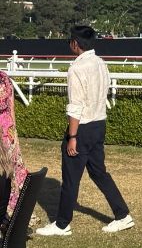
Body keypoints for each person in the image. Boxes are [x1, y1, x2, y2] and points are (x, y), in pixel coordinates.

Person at [36, 25, 134, 237]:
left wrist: (72, 136)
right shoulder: (100, 63)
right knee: (99, 173)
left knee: (71, 178)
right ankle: (123, 214)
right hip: (99, 124)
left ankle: (62, 224)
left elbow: (76, 106)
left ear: (75, 44)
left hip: (82, 128)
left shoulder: (77, 68)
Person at [0, 69, 29, 234]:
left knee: (15, 173)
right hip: (8, 131)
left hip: (6, 133)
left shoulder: (3, 78)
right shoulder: (4, 77)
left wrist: (14, 135)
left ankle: (12, 215)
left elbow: (11, 108)